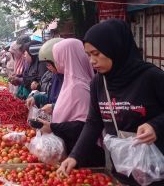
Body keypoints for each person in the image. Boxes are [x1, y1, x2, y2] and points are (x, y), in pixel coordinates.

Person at [58, 19, 164, 186]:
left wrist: (156, 126)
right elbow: (93, 122)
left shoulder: (151, 77)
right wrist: (75, 156)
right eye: (88, 55)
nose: (92, 61)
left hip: (156, 171)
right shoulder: (99, 83)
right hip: (122, 171)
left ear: (115, 48)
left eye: (96, 53)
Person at [37, 39, 105, 167]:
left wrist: (52, 127)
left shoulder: (78, 87)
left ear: (68, 58)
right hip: (74, 152)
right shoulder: (70, 82)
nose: (57, 61)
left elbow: (86, 126)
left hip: (83, 157)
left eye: (59, 57)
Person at [26, 38, 64, 113]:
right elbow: (51, 98)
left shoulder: (76, 83)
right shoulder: (56, 76)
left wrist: (53, 107)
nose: (48, 68)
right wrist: (36, 97)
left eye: (49, 64)